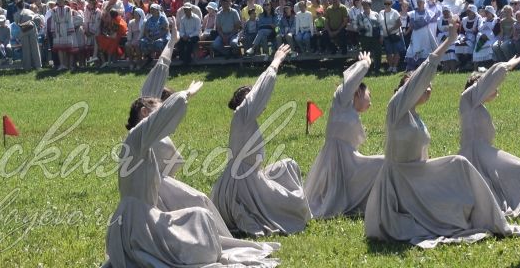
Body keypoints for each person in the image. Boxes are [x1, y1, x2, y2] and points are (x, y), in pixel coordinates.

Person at [364, 24, 518, 247]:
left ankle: (477, 215)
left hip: (416, 176)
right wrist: (449, 41)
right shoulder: (396, 108)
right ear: (407, 89)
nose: (428, 88)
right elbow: (424, 71)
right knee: (458, 163)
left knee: (458, 165)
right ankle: (478, 217)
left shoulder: (415, 116)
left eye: (429, 85)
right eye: (422, 84)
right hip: (399, 183)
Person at [105, 77, 279, 268]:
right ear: (145, 113)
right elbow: (163, 116)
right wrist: (186, 94)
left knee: (199, 213)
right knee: (200, 216)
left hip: (138, 219)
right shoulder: (137, 137)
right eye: (158, 109)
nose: (162, 114)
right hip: (139, 225)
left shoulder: (140, 141)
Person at [211, 44, 311, 235]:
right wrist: (276, 61)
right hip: (243, 186)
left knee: (288, 165)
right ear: (247, 101)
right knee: (289, 202)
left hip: (249, 176)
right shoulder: (243, 114)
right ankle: (293, 210)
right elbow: (261, 88)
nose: (261, 103)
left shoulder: (246, 118)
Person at [304, 52, 384, 218]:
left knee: (384, 162)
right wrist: (365, 64)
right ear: (358, 92)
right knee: (383, 162)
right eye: (370, 95)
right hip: (337, 162)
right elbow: (350, 82)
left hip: (348, 161)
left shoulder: (348, 108)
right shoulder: (342, 99)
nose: (371, 101)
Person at [457, 55, 520, 216]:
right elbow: (488, 80)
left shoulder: (478, 107)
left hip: (485, 155)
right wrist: (507, 65)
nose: (496, 88)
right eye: (492, 85)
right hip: (475, 157)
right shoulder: (468, 100)